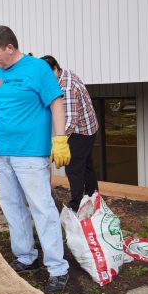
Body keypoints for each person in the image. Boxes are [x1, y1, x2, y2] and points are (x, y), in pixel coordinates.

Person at [0, 26, 71, 294]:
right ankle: (26, 257)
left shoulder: (37, 69)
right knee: (11, 205)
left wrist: (59, 139)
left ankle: (57, 268)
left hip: (30, 153)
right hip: (3, 152)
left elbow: (56, 103)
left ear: (9, 48)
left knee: (42, 208)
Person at [41, 55, 99, 213]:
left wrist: (59, 142)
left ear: (55, 69)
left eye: (47, 75)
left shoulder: (65, 88)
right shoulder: (66, 73)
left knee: (73, 168)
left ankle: (76, 205)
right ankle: (93, 196)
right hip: (90, 126)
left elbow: (71, 120)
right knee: (86, 164)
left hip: (81, 131)